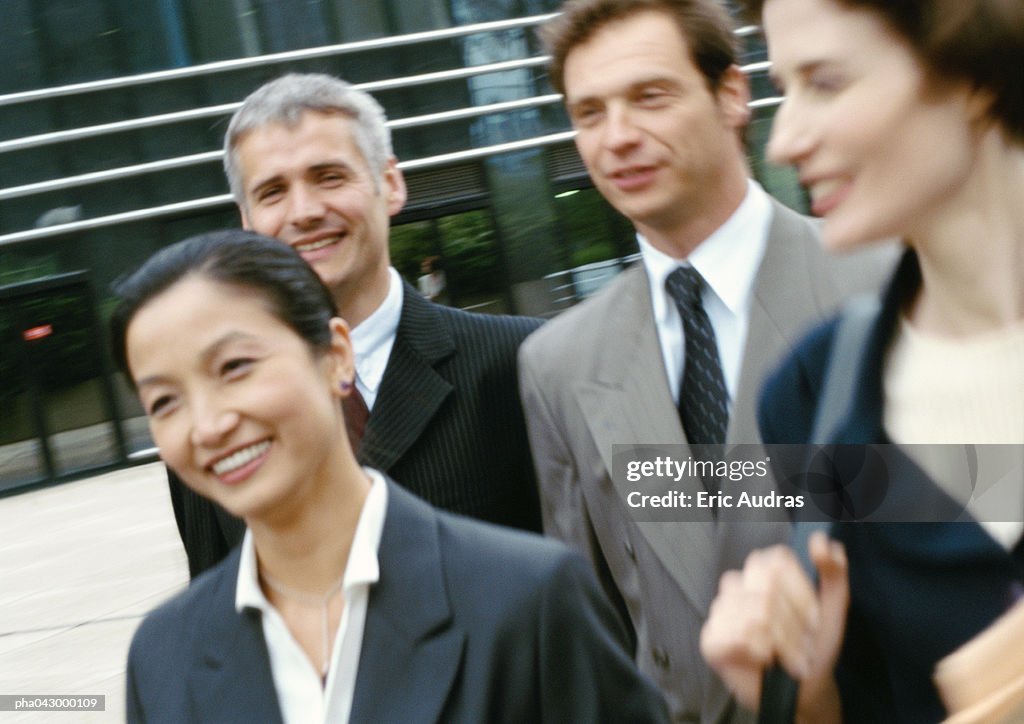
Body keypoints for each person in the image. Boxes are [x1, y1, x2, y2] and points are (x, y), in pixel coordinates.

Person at [115, 230, 669, 723]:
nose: (208, 426)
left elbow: (665, 492)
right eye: (165, 401)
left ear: (335, 356)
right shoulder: (163, 654)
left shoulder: (529, 601)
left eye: (235, 367)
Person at [517, 0, 895, 720]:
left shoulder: (882, 280)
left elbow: (981, 520)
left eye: (649, 97)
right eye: (589, 112)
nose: (618, 137)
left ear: (731, 95)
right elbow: (592, 626)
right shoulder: (557, 363)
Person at [700, 0, 1024, 721]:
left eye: (825, 82)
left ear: (969, 70)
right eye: (784, 89)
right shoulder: (814, 396)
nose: (782, 141)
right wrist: (807, 697)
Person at [169, 73, 543, 578]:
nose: (304, 212)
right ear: (248, 221)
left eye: (329, 177)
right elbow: (216, 615)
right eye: (273, 191)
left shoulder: (531, 361)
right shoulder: (212, 421)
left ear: (389, 183)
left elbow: (663, 537)